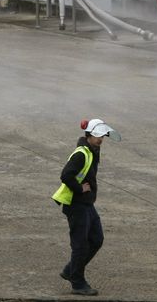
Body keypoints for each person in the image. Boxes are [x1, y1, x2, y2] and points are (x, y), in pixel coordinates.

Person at [51, 118, 120, 296]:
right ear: (88, 135)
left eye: (103, 136)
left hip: (87, 204)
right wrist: (79, 188)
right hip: (76, 205)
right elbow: (66, 175)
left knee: (96, 239)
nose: (101, 139)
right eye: (98, 136)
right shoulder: (81, 153)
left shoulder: (92, 150)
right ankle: (77, 283)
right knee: (80, 245)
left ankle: (70, 270)